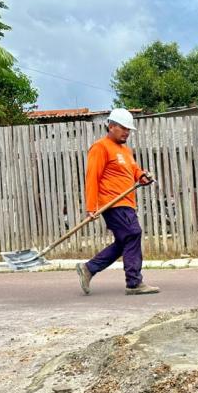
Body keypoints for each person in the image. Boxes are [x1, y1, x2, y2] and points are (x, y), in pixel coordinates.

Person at [75, 108, 159, 296]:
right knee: (133, 233)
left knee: (125, 242)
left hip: (127, 202)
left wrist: (142, 176)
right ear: (111, 126)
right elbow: (92, 178)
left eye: (129, 129)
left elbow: (134, 171)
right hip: (113, 203)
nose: (127, 132)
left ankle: (89, 268)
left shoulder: (125, 150)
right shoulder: (100, 147)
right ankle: (134, 282)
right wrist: (91, 207)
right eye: (123, 128)